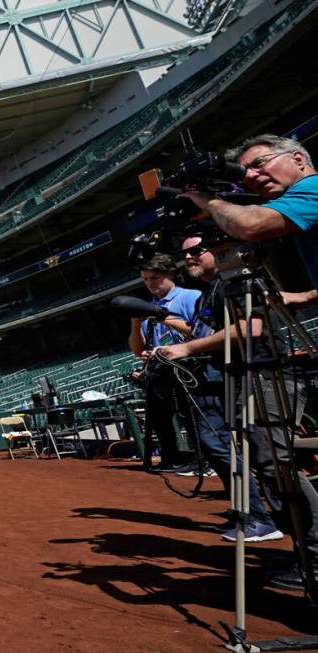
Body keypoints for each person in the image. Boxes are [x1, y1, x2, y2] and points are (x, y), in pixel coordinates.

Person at [155, 236, 318, 577]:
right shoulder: (213, 291)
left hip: (268, 372)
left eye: (197, 250)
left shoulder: (233, 282)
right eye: (183, 252)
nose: (188, 257)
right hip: (244, 378)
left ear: (223, 250)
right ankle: (305, 550)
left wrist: (189, 349)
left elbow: (251, 328)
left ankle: (314, 551)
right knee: (266, 463)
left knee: (276, 464)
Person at [181, 133, 318, 307]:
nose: (251, 176)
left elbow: (252, 225)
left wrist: (209, 202)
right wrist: (307, 297)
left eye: (259, 163)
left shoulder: (313, 187)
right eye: (245, 174)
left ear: (298, 159)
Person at [127, 254, 200, 471]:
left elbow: (202, 331)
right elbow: (138, 349)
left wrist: (164, 317)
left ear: (170, 274)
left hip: (191, 368)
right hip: (161, 372)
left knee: (192, 417)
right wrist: (135, 324)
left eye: (155, 278)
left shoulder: (190, 296)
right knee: (160, 420)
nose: (150, 284)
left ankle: (203, 460)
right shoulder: (148, 306)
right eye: (146, 279)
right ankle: (172, 458)